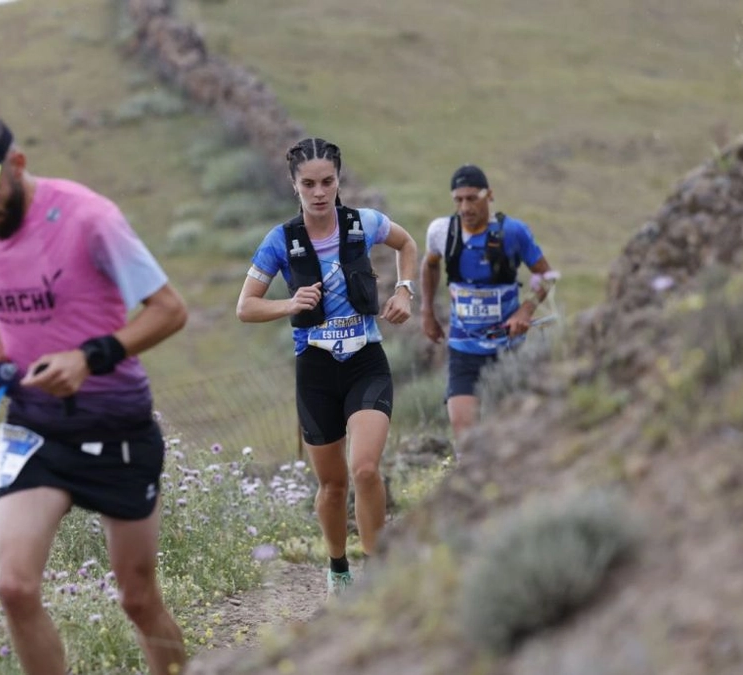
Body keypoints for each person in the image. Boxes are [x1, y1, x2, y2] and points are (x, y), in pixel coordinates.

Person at [0, 111, 188, 675]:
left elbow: (170, 311)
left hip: (117, 424)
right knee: (15, 588)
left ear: (18, 165)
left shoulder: (90, 218)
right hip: (35, 426)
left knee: (138, 598)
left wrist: (89, 357)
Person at [236, 137, 418, 596]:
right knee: (333, 485)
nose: (319, 192)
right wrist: (289, 304)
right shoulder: (280, 241)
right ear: (294, 185)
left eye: (328, 182)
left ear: (338, 181)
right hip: (315, 370)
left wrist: (404, 290)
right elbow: (245, 307)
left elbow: (407, 243)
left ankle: (378, 575)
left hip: (366, 361)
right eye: (309, 184)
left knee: (365, 470)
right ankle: (338, 569)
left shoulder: (364, 224)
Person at [420, 164, 557, 439]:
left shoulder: (514, 232)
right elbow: (430, 264)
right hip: (463, 349)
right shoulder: (441, 232)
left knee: (509, 433)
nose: (465, 207)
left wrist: (525, 310)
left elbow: (547, 275)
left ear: (489, 195)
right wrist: (427, 311)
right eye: (458, 200)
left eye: (472, 198)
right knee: (463, 431)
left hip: (507, 350)